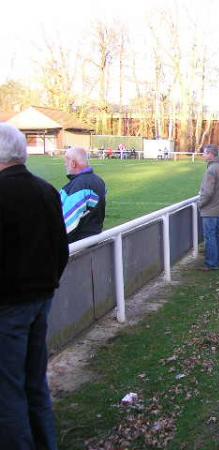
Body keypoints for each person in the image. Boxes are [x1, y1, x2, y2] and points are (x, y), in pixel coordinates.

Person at [0, 123, 69, 450]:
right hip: (40, 300)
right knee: (34, 382)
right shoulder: (46, 190)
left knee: (8, 390)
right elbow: (61, 250)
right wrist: (46, 285)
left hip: (10, 308)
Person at [60, 147, 107, 243]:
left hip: (78, 247)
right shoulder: (99, 180)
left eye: (66, 161)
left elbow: (67, 225)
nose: (65, 164)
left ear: (73, 163)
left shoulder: (79, 186)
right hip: (92, 240)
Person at [197, 145, 219, 271]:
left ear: (211, 154)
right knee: (216, 236)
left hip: (210, 210)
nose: (203, 155)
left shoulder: (211, 170)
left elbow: (208, 192)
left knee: (210, 237)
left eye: (205, 153)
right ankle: (218, 261)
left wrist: (200, 204)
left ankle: (211, 263)